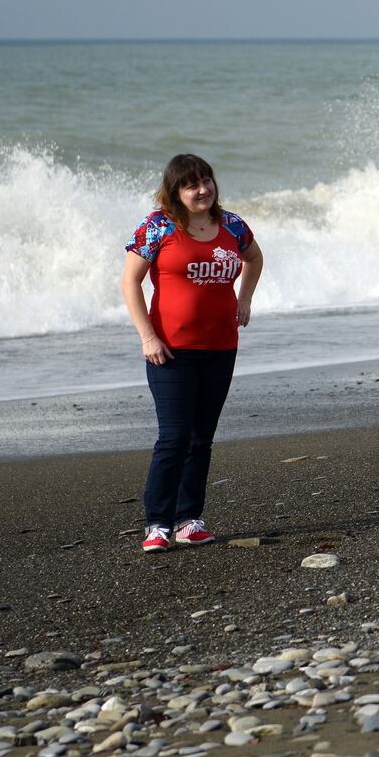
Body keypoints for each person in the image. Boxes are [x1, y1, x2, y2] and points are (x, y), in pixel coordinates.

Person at [121, 154, 264, 554]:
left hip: (220, 347)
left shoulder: (232, 225)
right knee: (174, 437)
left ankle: (189, 520)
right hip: (170, 350)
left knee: (202, 438)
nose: (202, 190)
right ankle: (157, 524)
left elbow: (254, 258)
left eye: (206, 181)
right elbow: (129, 282)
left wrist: (245, 298)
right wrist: (148, 337)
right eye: (191, 185)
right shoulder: (158, 227)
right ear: (175, 191)